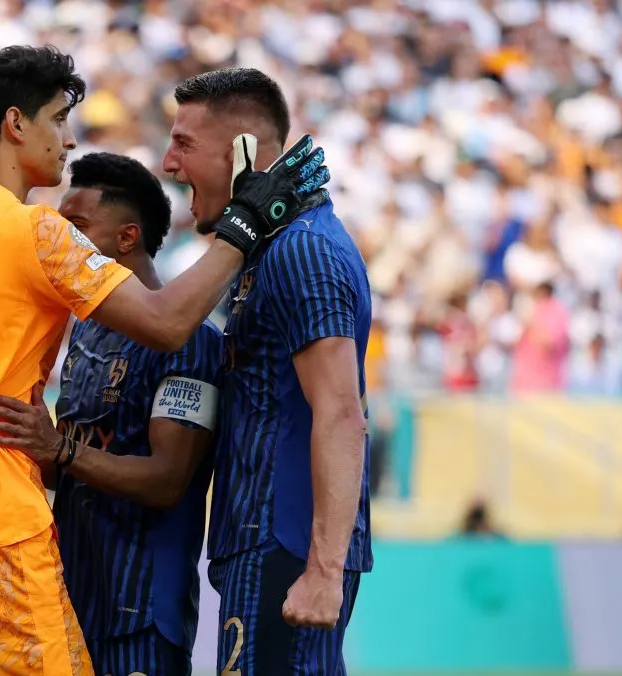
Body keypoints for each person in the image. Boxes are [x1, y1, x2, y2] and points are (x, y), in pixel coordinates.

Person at [0, 46, 328, 674]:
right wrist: (247, 221)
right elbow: (166, 322)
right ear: (16, 126)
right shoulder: (36, 233)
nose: (67, 141)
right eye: (57, 120)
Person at [162, 67, 373, 674]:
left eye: (185, 144)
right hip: (259, 543)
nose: (170, 164)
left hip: (284, 547)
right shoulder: (270, 249)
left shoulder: (304, 250)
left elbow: (340, 411)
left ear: (245, 154)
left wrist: (323, 570)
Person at [0, 152, 221, 675]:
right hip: (68, 599)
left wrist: (58, 449)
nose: (60, 238)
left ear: (126, 239)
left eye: (77, 226)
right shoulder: (85, 330)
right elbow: (64, 462)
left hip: (140, 613)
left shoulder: (191, 344)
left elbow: (167, 481)